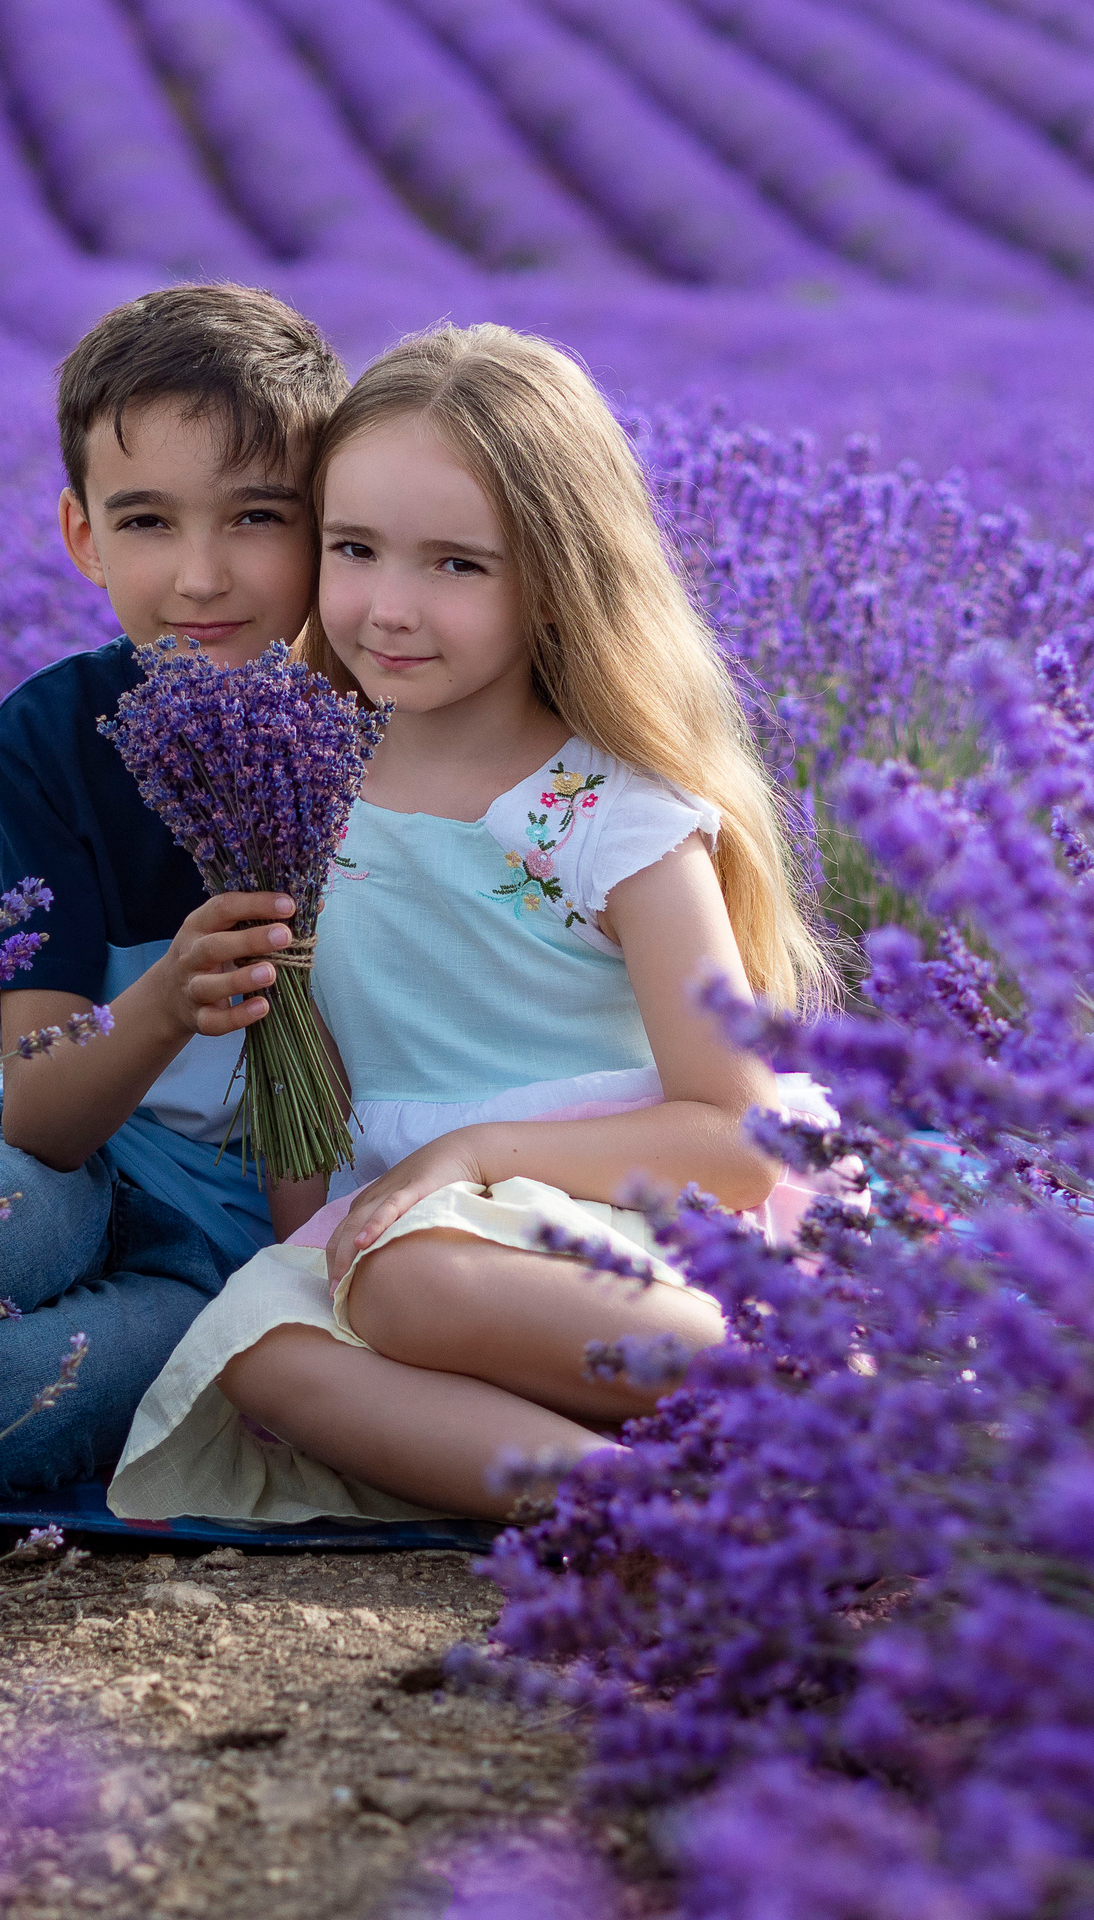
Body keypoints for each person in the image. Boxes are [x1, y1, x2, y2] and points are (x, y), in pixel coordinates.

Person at [107, 324, 835, 1526]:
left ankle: (817, 1404)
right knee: (258, 1352)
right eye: (354, 549)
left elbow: (740, 1136)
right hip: (412, 1236)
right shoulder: (299, 787)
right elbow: (305, 1074)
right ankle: (650, 1519)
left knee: (411, 1289)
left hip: (628, 1223)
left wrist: (476, 1155)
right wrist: (303, 1251)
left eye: (457, 564)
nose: (390, 607)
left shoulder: (609, 814)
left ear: (557, 577)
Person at [0, 284, 347, 1504]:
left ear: (331, 525)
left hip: (229, 1256)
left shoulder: (384, 733)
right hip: (73, 1163)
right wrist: (167, 1001)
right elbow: (42, 1115)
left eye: (257, 517)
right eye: (146, 522)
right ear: (83, 537)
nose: (201, 575)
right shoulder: (58, 735)